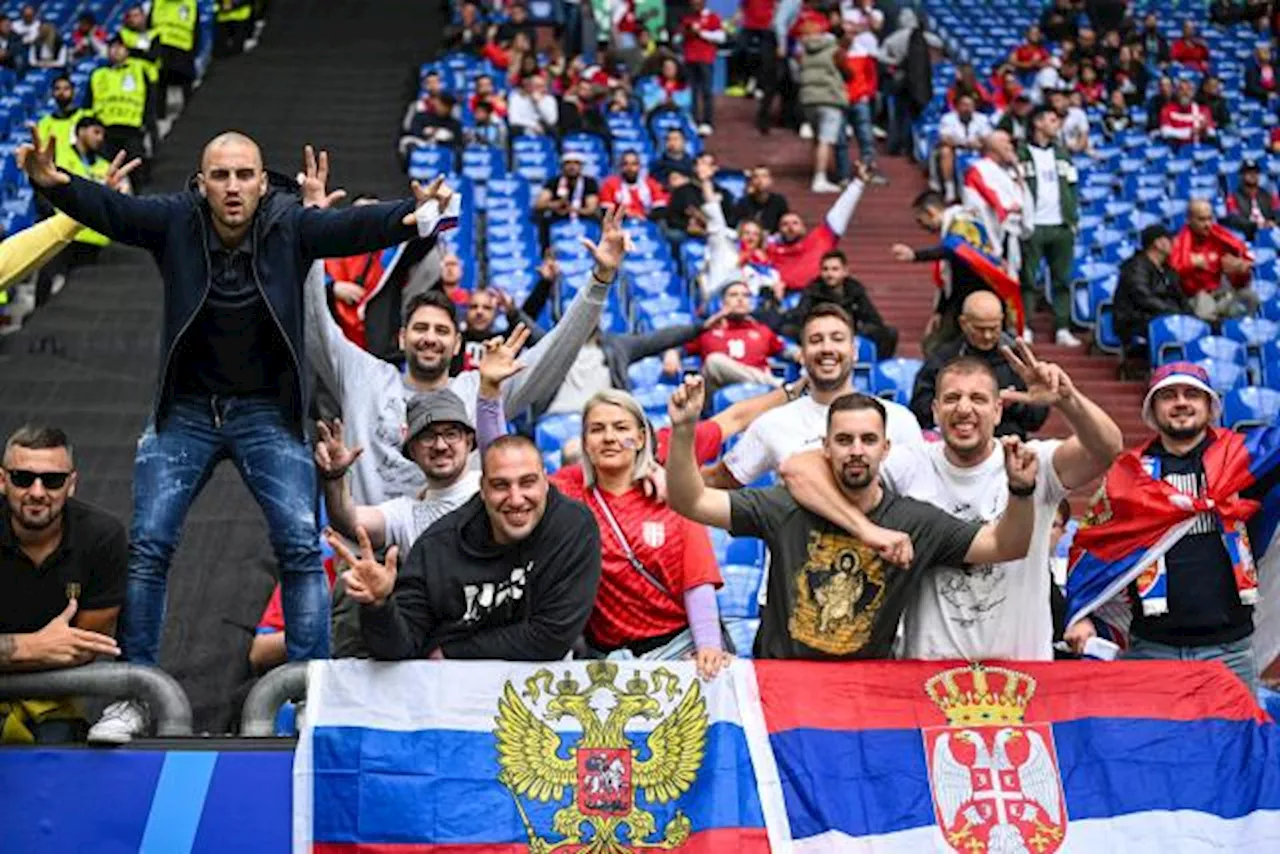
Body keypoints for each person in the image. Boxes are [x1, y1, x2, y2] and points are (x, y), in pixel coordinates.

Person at [20, 131, 435, 742]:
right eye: (221, 176)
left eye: (245, 175)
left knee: (299, 543)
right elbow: (119, 212)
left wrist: (412, 215)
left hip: (266, 412)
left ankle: (312, 694)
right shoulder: (176, 221)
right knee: (150, 546)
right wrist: (56, 185)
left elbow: (351, 229)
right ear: (201, 183)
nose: (233, 187)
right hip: (186, 412)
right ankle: (133, 698)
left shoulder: (289, 224)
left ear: (264, 182)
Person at [782, 345, 1121, 660]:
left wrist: (1067, 400)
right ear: (935, 409)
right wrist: (867, 529)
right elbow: (797, 468)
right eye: (952, 398)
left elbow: (1106, 449)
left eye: (978, 398)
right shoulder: (909, 465)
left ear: (998, 409)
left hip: (1022, 672)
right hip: (930, 671)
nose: (964, 408)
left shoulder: (1033, 462)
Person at [668, 379, 1039, 659]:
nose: (857, 451)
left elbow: (1007, 545)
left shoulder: (914, 521)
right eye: (844, 440)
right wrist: (684, 432)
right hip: (780, 687)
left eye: (868, 439)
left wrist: (1021, 492)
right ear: (825, 448)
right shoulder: (784, 507)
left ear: (886, 448)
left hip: (865, 698)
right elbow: (691, 501)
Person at [309, 192, 628, 507]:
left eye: (442, 330)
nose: (430, 338)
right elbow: (315, 323)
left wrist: (600, 281)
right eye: (421, 329)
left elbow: (557, 350)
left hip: (456, 555)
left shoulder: (481, 391)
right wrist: (310, 233)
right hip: (371, 551)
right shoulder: (365, 377)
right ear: (402, 338)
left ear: (457, 343)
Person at [1065, 363, 1280, 695]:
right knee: (1152, 748)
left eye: (1192, 394)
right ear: (1152, 410)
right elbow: (1091, 548)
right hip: (1150, 652)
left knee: (1234, 748)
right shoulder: (1127, 477)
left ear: (1210, 407)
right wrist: (1080, 613)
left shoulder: (1245, 459)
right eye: (1168, 396)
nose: (1181, 402)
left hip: (1231, 654)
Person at [344, 435, 602, 662]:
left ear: (546, 482)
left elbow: (551, 638)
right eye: (501, 485)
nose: (515, 499)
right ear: (482, 489)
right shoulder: (438, 547)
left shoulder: (573, 526)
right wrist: (380, 606)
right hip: (452, 693)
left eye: (527, 483)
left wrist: (453, 652)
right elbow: (399, 649)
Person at [549, 391, 730, 678]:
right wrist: (489, 399)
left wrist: (708, 645)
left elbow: (697, 580)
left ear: (642, 438)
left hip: (676, 652)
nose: (609, 438)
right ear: (585, 441)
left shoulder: (673, 496)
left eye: (621, 428)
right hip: (605, 663)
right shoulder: (567, 493)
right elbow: (509, 481)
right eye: (597, 429)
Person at [704, 304, 923, 490]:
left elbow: (920, 496)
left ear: (854, 350)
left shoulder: (898, 420)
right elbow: (716, 480)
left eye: (837, 339)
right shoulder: (773, 423)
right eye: (816, 340)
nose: (827, 348)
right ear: (801, 354)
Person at [0, 427, 126, 744]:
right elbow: (59, 649)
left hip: (54, 704)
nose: (38, 491)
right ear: (3, 481)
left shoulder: (103, 536)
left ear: (71, 485)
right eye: (23, 478)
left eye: (53, 480)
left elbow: (86, 646)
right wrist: (33, 646)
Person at [891, 191, 1021, 353]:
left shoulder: (962, 220)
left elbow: (955, 249)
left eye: (920, 219)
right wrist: (940, 310)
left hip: (982, 294)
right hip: (960, 296)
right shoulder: (954, 226)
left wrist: (916, 255)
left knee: (937, 347)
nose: (921, 226)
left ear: (930, 212)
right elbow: (948, 275)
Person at [910, 291, 1049, 439]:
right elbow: (921, 409)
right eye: (980, 329)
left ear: (1002, 322)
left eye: (993, 328)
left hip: (1007, 441)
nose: (987, 336)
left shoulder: (1018, 359)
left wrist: (1015, 403)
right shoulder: (943, 359)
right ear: (963, 323)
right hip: (958, 443)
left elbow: (1037, 417)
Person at [323, 194, 436, 360]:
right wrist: (332, 287)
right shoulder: (329, 249)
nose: (368, 218)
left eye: (374, 212)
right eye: (361, 212)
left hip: (380, 353)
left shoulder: (394, 255)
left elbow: (424, 242)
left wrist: (427, 212)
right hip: (333, 351)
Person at [34, 117, 117, 306]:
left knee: (82, 295)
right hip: (62, 233)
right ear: (80, 132)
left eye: (103, 134)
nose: (100, 138)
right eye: (96, 132)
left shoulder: (105, 167)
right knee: (47, 279)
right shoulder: (60, 154)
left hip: (93, 239)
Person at [1017, 105, 1080, 347]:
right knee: (1028, 279)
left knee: (1062, 279)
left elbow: (1073, 187)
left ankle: (1062, 327)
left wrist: (1072, 219)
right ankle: (1025, 326)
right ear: (1038, 123)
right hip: (1032, 226)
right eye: (1053, 119)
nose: (1057, 124)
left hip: (1061, 226)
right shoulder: (1021, 153)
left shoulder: (1063, 154)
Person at [675, 279, 793, 393]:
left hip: (757, 396)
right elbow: (678, 348)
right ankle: (777, 385)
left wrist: (799, 354)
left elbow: (788, 351)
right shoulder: (707, 331)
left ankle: (769, 385)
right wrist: (671, 353)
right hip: (717, 393)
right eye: (733, 295)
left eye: (746, 295)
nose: (740, 299)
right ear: (722, 303)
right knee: (714, 361)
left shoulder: (762, 330)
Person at [783, 249, 897, 358]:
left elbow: (874, 319)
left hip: (850, 333)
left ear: (845, 271)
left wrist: (858, 331)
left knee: (889, 333)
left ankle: (878, 366)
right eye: (825, 269)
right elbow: (800, 317)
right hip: (819, 335)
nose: (829, 274)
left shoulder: (855, 290)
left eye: (834, 269)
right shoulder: (812, 290)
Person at [769, 171, 866, 290]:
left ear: (803, 228)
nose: (790, 227)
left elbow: (840, 212)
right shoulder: (770, 250)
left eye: (795, 223)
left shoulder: (820, 238)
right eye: (785, 224)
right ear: (778, 230)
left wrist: (858, 183)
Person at [1170, 199, 1258, 323]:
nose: (1207, 224)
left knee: (1250, 297)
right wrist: (1191, 265)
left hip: (1222, 290)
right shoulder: (1178, 243)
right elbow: (1173, 271)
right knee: (1205, 307)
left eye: (1210, 219)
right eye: (1202, 219)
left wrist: (1240, 269)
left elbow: (1243, 260)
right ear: (1189, 220)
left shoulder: (1220, 238)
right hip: (1196, 295)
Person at [963, 130, 1030, 279]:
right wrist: (1008, 208)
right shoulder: (979, 169)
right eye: (1006, 144)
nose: (1011, 147)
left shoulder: (1007, 171)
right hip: (992, 238)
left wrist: (1016, 167)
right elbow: (996, 202)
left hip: (1012, 234)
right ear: (993, 147)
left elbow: (1022, 199)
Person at [85, 37, 152, 185]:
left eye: (120, 47)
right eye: (112, 47)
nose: (115, 50)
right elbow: (88, 106)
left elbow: (149, 100)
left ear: (127, 51)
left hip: (132, 130)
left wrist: (148, 125)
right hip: (106, 132)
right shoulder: (98, 75)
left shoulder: (139, 71)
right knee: (106, 174)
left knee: (138, 174)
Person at [1114, 224, 1187, 356]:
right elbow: (1143, 297)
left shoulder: (1167, 270)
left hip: (1162, 315)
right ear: (1157, 243)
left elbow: (1180, 296)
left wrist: (1188, 314)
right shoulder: (1136, 267)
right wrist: (1173, 312)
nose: (1174, 243)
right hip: (1136, 320)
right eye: (1169, 239)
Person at [797, 15, 848, 193]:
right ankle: (820, 178)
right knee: (826, 140)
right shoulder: (834, 49)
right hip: (830, 97)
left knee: (817, 139)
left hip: (809, 98)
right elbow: (846, 69)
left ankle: (817, 173)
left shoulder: (803, 51)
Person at [933, 93, 992, 203]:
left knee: (990, 150)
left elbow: (987, 137)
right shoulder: (948, 118)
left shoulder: (982, 118)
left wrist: (979, 143)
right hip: (956, 149)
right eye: (964, 105)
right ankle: (949, 188)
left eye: (970, 105)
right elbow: (945, 138)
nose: (967, 108)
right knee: (945, 151)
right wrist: (964, 143)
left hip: (977, 149)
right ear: (957, 107)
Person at [149, 0, 200, 124]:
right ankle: (159, 116)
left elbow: (196, 30)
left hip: (183, 49)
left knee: (186, 82)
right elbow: (149, 26)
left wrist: (194, 51)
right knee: (161, 82)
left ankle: (190, 116)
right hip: (163, 47)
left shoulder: (191, 4)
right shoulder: (157, 3)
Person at [680, 0, 725, 136]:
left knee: (706, 91)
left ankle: (707, 122)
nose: (694, 4)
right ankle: (693, 120)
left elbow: (721, 37)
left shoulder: (713, 17)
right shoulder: (687, 19)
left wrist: (701, 33)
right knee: (691, 92)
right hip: (689, 59)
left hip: (705, 59)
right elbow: (681, 36)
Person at [534, 151, 601, 242]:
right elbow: (539, 204)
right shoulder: (554, 182)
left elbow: (591, 208)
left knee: (598, 221)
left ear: (581, 166)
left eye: (576, 163)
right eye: (568, 163)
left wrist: (573, 209)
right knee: (542, 221)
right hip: (558, 215)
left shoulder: (589, 182)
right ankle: (547, 252)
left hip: (582, 215)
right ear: (562, 167)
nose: (572, 167)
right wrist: (557, 204)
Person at [36, 76, 89, 170]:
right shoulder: (44, 123)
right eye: (57, 89)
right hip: (57, 173)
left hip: (83, 172)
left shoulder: (85, 118)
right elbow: (42, 151)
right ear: (52, 93)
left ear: (74, 92)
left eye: (66, 89)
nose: (61, 92)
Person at [599, 150, 670, 220]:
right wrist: (627, 215)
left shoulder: (650, 183)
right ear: (620, 166)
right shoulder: (610, 184)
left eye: (634, 164)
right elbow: (606, 211)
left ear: (639, 166)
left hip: (647, 223)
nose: (630, 168)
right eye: (625, 164)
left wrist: (643, 217)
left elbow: (660, 208)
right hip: (619, 225)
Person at [1223, 159, 1279, 241]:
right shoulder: (1233, 197)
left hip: (1270, 231)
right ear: (1242, 175)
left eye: (1255, 172)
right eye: (1248, 172)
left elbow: (1278, 212)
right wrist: (1255, 225)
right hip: (1248, 233)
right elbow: (1234, 218)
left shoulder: (1268, 195)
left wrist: (1274, 222)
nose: (1252, 175)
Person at [731, 165, 789, 233]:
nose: (760, 180)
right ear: (751, 182)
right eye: (756, 177)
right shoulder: (743, 202)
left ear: (771, 181)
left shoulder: (779, 201)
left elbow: (784, 224)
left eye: (764, 176)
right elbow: (734, 226)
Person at [1158, 78, 1215, 145]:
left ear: (1193, 92)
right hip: (1177, 148)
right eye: (1181, 89)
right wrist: (1190, 131)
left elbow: (1212, 132)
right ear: (1176, 92)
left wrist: (1206, 130)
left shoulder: (1204, 110)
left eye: (1189, 89)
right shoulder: (1167, 109)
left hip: (1200, 147)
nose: (1185, 93)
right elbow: (1165, 132)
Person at [507, 72, 559, 137]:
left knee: (553, 130)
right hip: (523, 129)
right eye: (537, 86)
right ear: (529, 86)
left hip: (543, 129)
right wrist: (533, 125)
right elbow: (513, 120)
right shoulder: (516, 98)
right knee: (514, 129)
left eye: (543, 86)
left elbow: (551, 120)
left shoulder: (550, 99)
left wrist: (540, 103)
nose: (542, 89)